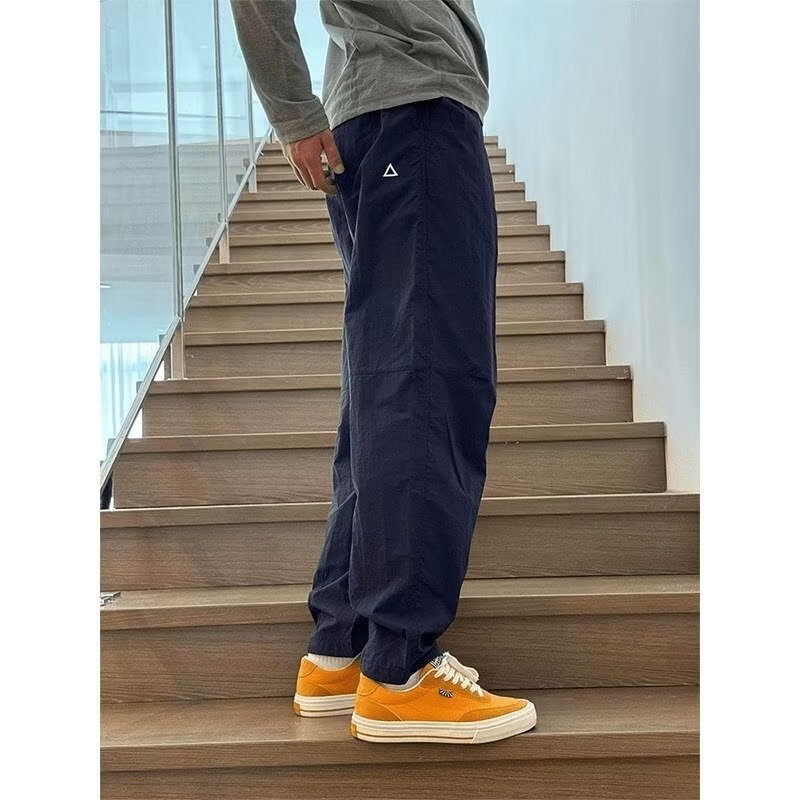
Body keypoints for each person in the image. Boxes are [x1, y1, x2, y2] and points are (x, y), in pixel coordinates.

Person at [231, 0, 536, 744]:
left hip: (387, 114)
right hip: (414, 114)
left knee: (389, 382)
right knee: (432, 379)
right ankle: (399, 669)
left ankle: (340, 649)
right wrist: (293, 111)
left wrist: (302, 113)